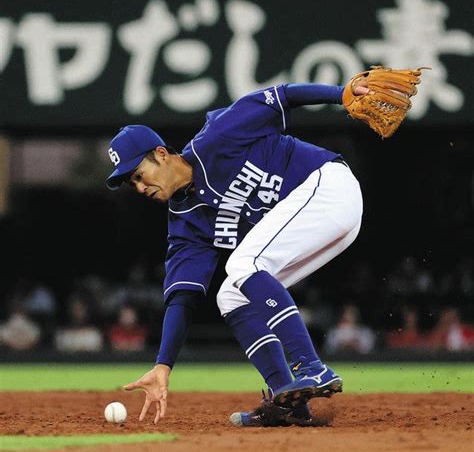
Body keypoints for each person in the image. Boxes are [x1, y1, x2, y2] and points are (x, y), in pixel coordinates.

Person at [106, 80, 369, 426]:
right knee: (231, 295)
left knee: (243, 263)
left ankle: (312, 368)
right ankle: (290, 403)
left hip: (328, 186)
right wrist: (162, 365)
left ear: (161, 154)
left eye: (139, 175)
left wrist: (340, 95)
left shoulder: (218, 137)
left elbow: (283, 96)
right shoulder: (186, 221)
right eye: (132, 184)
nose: (140, 187)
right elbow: (182, 298)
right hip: (323, 220)